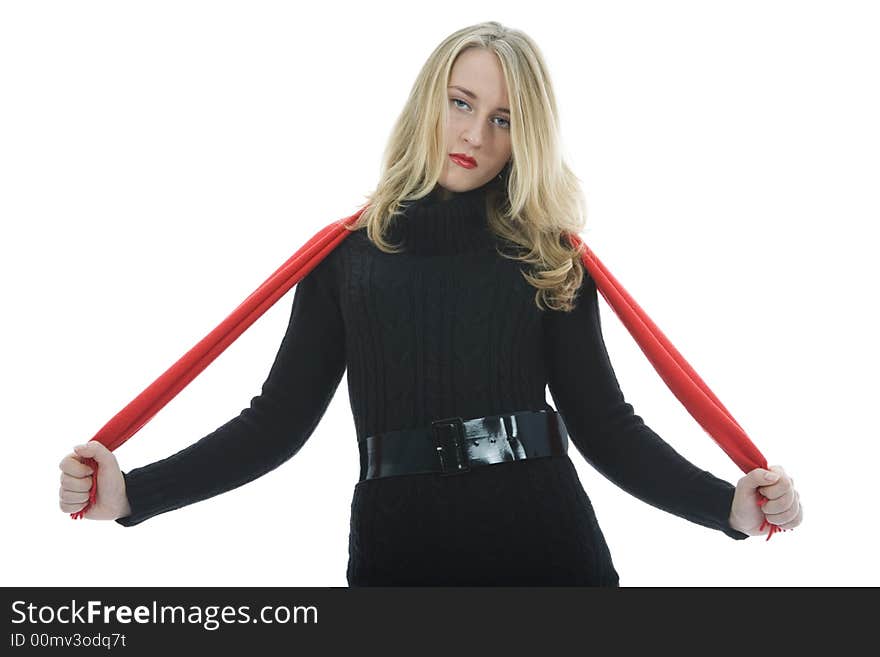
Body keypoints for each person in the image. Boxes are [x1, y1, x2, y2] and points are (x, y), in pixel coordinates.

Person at [58, 21, 802, 586]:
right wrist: (133, 493)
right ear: (430, 102)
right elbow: (276, 424)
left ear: (526, 136)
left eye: (504, 118)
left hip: (546, 543)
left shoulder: (548, 258)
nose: (476, 134)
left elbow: (606, 427)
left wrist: (726, 508)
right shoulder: (343, 256)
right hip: (397, 551)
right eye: (462, 103)